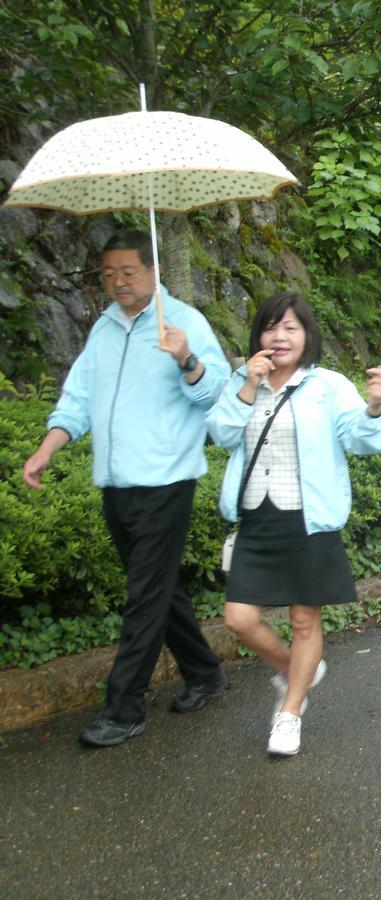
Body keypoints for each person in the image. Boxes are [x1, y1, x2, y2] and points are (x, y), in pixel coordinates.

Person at [22, 228, 232, 747]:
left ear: (153, 270)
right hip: (115, 483)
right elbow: (77, 399)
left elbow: (223, 398)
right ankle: (205, 672)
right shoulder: (104, 331)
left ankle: (124, 709)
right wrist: (47, 448)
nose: (117, 282)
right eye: (109, 273)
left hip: (166, 480)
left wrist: (187, 360)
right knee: (160, 590)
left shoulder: (185, 323)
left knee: (144, 596)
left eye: (128, 272)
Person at [206, 292, 381, 757]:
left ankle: (289, 713)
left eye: (290, 327)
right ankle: (298, 670)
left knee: (304, 620)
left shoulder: (326, 385)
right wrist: (247, 387)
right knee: (239, 617)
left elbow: (361, 440)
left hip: (309, 518)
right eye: (271, 327)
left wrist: (373, 408)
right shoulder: (243, 380)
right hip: (257, 518)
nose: (280, 336)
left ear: (307, 334)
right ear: (259, 336)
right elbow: (221, 435)